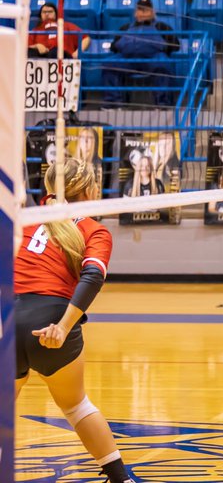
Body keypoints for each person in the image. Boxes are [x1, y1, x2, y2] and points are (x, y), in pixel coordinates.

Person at [15, 159, 134, 483]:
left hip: (8, 318)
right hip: (53, 319)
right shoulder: (94, 230)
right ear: (90, 190)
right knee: (76, 406)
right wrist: (63, 327)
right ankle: (119, 479)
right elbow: (93, 276)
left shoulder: (24, 219)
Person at [101, 0, 180, 107]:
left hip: (152, 59)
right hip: (127, 59)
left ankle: (162, 104)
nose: (142, 13)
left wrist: (162, 48)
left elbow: (176, 45)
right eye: (140, 10)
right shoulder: (125, 27)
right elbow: (114, 46)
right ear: (135, 13)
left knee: (163, 64)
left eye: (146, 10)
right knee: (109, 64)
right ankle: (113, 103)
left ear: (152, 12)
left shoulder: (162, 27)